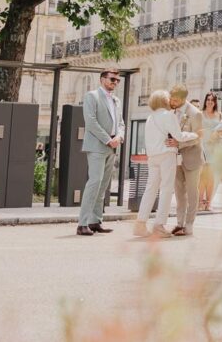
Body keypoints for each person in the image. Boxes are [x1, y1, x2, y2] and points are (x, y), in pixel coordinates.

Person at [134, 90, 198, 238]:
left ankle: (140, 223)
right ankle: (159, 225)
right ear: (165, 101)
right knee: (166, 190)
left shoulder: (150, 117)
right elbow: (179, 136)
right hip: (166, 154)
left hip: (152, 156)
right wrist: (195, 135)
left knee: (150, 189)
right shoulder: (168, 116)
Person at [77, 69, 125, 236]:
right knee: (94, 182)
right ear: (102, 79)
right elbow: (90, 122)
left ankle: (95, 221)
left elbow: (121, 123)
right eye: (112, 79)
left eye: (117, 80)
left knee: (103, 185)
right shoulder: (92, 96)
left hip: (112, 146)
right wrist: (107, 139)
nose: (115, 83)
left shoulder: (117, 101)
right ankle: (82, 223)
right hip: (97, 146)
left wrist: (119, 136)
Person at [169, 84, 204, 236]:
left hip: (192, 158)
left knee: (191, 192)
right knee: (179, 192)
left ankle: (189, 224)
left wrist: (179, 143)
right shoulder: (172, 111)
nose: (172, 101)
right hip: (176, 157)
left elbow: (198, 137)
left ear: (183, 99)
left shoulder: (195, 113)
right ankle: (179, 223)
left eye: (175, 99)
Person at [198, 92, 221, 211]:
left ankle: (208, 203)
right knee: (202, 176)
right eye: (208, 99)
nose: (210, 101)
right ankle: (200, 202)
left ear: (215, 102)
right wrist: (208, 132)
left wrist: (218, 133)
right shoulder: (200, 114)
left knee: (211, 177)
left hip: (214, 148)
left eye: (212, 100)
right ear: (205, 101)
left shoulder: (219, 115)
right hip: (202, 147)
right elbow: (197, 129)